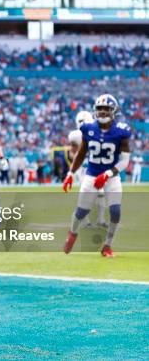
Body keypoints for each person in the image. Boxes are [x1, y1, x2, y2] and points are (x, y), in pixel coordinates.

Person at [63, 94, 131, 257]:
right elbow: (81, 154)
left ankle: (107, 246)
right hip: (92, 176)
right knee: (81, 212)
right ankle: (72, 234)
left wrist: (108, 173)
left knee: (115, 211)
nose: (102, 112)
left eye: (106, 109)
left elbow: (125, 161)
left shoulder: (121, 131)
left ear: (113, 111)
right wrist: (70, 173)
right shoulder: (88, 128)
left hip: (111, 177)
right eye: (99, 109)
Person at [68, 110, 106, 228]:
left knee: (100, 193)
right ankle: (83, 219)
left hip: (95, 166)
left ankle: (100, 219)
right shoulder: (75, 135)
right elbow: (71, 153)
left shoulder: (97, 131)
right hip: (83, 167)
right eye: (81, 121)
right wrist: (80, 158)